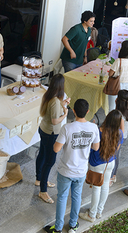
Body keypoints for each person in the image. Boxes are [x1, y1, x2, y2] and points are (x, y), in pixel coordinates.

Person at [44, 99, 100, 233]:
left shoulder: (67, 128)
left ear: (73, 111)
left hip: (65, 170)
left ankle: (58, 228)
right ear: (87, 112)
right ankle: (73, 225)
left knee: (62, 198)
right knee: (77, 197)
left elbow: (56, 149)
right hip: (81, 171)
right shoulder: (93, 127)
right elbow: (96, 148)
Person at [78, 110, 123, 223]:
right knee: (105, 187)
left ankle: (91, 215)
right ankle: (99, 211)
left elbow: (94, 147)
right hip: (110, 162)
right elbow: (116, 150)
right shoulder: (120, 133)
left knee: (96, 188)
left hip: (97, 163)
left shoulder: (99, 131)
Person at [36, 74, 70, 204]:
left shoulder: (48, 95)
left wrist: (63, 104)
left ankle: (39, 179)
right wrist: (65, 113)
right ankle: (43, 191)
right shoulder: (55, 101)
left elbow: (52, 110)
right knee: (49, 161)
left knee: (42, 155)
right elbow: (55, 121)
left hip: (43, 129)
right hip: (51, 133)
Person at [108, 40, 128, 111]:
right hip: (127, 86)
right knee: (123, 106)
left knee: (112, 107)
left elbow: (110, 74)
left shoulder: (119, 61)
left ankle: (112, 121)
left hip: (116, 85)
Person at [109, 90, 128, 186]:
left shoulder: (119, 114)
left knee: (113, 156)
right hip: (123, 136)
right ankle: (113, 175)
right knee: (116, 156)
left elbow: (120, 130)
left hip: (117, 137)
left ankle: (111, 177)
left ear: (118, 100)